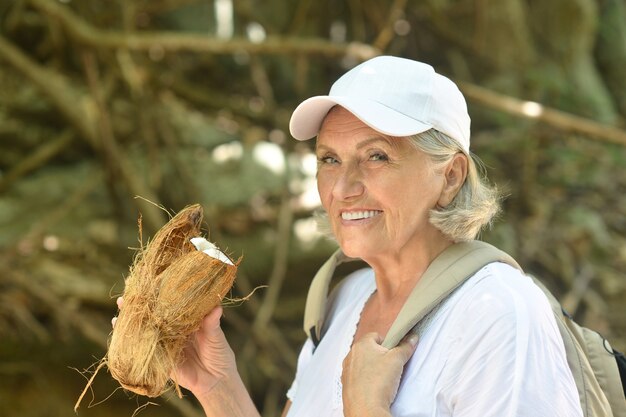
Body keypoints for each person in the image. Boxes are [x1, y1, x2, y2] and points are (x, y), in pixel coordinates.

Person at [115, 56, 583, 416]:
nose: (341, 188)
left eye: (376, 156)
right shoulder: (342, 301)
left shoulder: (498, 313)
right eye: (329, 159)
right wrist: (217, 387)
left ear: (451, 177)